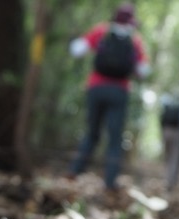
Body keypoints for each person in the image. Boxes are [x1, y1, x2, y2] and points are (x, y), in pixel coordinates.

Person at [68, 3, 151, 193]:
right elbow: (144, 70)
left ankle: (75, 171)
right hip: (120, 91)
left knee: (92, 132)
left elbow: (76, 50)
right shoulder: (134, 40)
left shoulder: (102, 31)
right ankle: (110, 181)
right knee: (115, 138)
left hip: (96, 87)